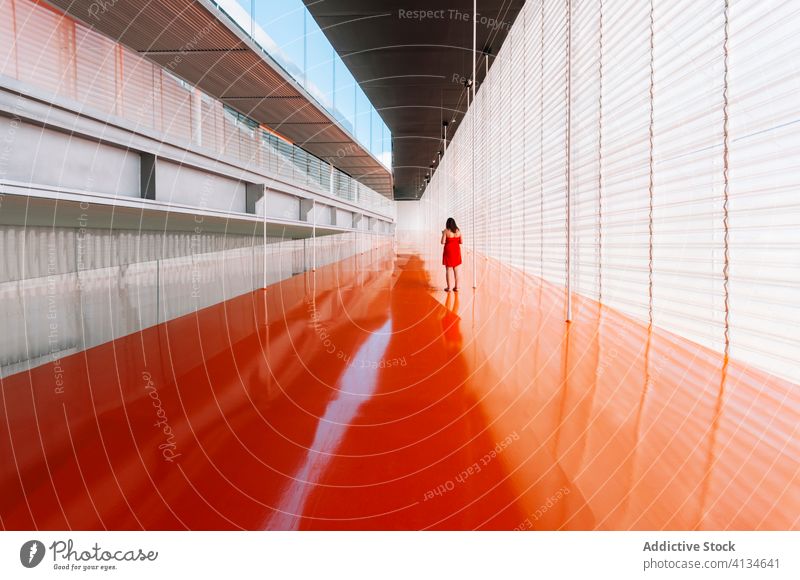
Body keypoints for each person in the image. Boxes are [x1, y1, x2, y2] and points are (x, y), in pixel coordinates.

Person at [441, 217, 462, 292]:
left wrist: (443, 233)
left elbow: (442, 242)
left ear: (447, 224)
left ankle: (449, 287)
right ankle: (457, 287)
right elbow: (461, 242)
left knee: (448, 269)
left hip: (449, 251)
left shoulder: (446, 231)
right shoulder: (458, 231)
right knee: (456, 269)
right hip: (456, 250)